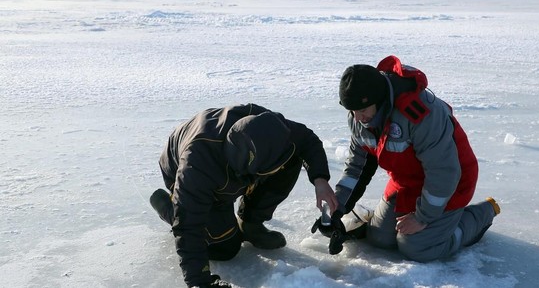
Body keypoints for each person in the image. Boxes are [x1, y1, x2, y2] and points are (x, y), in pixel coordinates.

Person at [323, 55, 500, 262]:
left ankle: (480, 215)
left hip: (449, 183)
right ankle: (437, 223)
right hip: (406, 181)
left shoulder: (420, 114)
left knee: (417, 248)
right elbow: (357, 167)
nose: (358, 118)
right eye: (352, 111)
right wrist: (338, 208)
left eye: (362, 110)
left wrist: (422, 217)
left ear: (378, 99)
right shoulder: (359, 117)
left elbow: (444, 172)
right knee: (380, 239)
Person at [150, 103, 338, 288]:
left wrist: (320, 180)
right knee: (225, 248)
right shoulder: (197, 166)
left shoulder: (270, 127)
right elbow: (188, 224)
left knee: (291, 158)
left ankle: (251, 223)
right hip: (180, 168)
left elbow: (307, 140)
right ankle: (166, 204)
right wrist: (199, 282)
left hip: (230, 155)